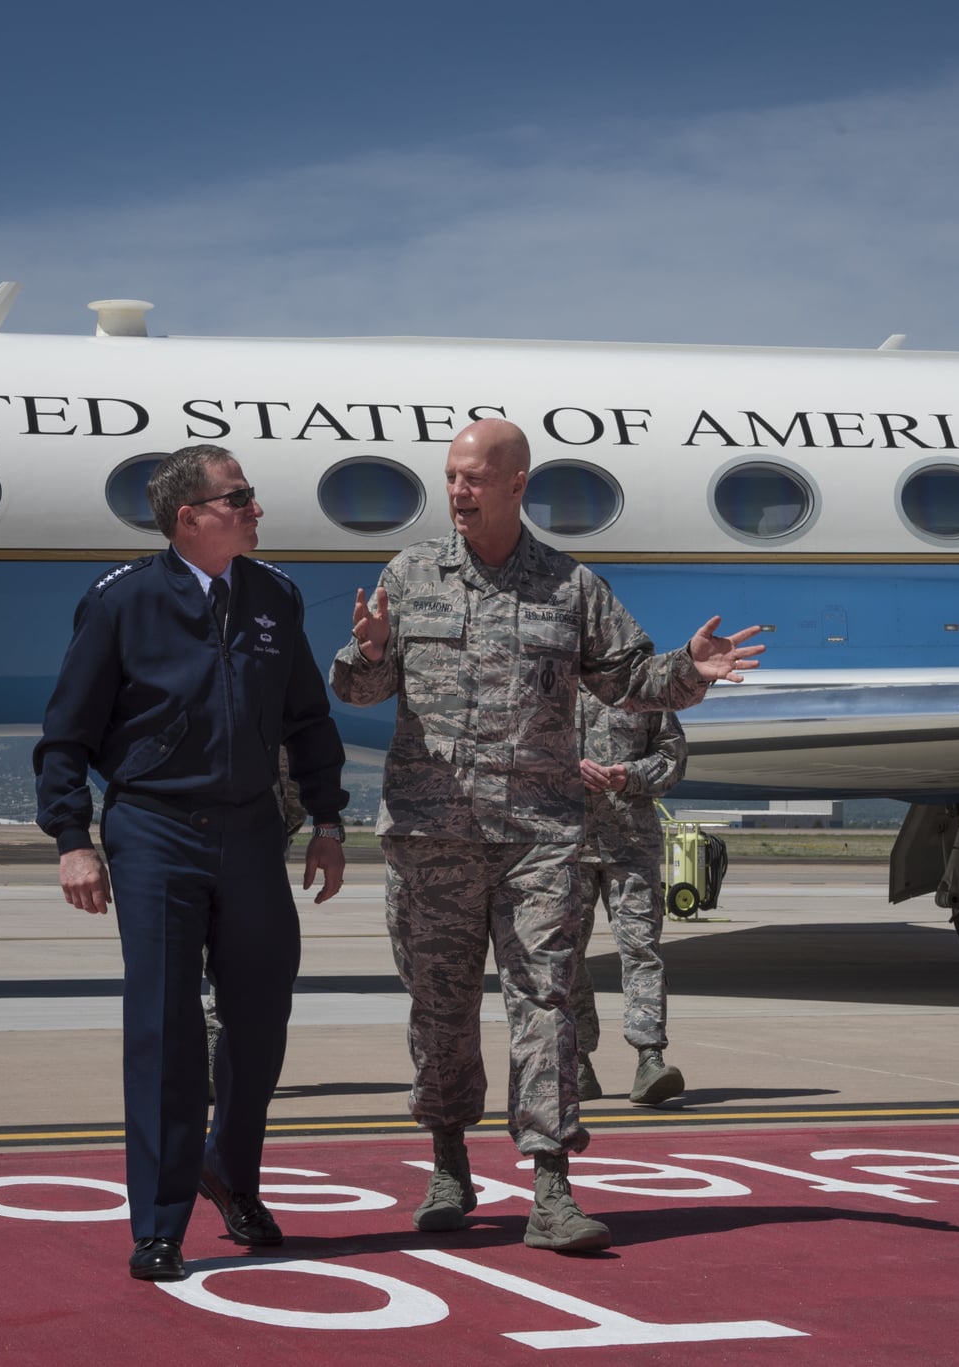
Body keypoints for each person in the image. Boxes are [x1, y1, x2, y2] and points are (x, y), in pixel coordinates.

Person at [329, 418, 763, 1253]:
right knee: (441, 1009)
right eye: (451, 476)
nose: (458, 490)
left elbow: (630, 680)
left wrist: (687, 669)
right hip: (433, 840)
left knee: (548, 1006)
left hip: (540, 840)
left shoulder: (571, 587)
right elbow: (361, 686)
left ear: (517, 483)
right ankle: (448, 1164)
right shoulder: (409, 574)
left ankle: (552, 1185)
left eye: (474, 478)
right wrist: (369, 652)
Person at [34, 444, 348, 1282]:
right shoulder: (121, 602)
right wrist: (73, 839)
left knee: (259, 1022)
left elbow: (308, 720)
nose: (254, 507)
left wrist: (328, 818)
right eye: (237, 497)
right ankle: (160, 1223)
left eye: (250, 494)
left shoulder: (276, 596)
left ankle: (230, 1175)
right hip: (155, 832)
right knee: (167, 1030)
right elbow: (65, 733)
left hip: (252, 836)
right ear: (189, 517)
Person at [570, 689, 688, 1107]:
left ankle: (650, 1059)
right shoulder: (544, 680)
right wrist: (565, 768)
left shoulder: (642, 690)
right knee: (562, 956)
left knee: (641, 951)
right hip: (563, 846)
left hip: (631, 846)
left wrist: (631, 774)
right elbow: (512, 754)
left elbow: (672, 757)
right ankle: (575, 1061)